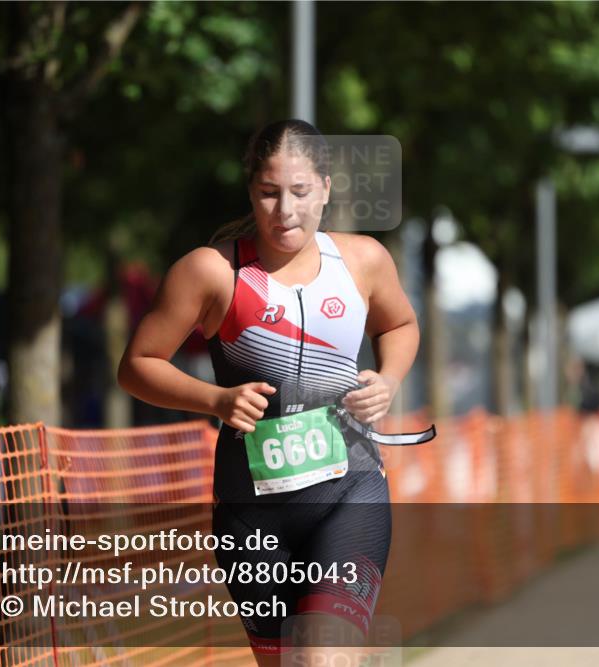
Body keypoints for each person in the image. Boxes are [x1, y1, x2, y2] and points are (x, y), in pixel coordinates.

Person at [117, 119, 433, 664]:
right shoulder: (212, 271)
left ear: (326, 189)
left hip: (349, 493)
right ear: (251, 191)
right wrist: (215, 400)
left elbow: (400, 326)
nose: (284, 210)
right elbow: (137, 366)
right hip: (251, 513)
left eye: (301, 192)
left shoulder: (362, 262)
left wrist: (388, 380)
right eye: (268, 193)